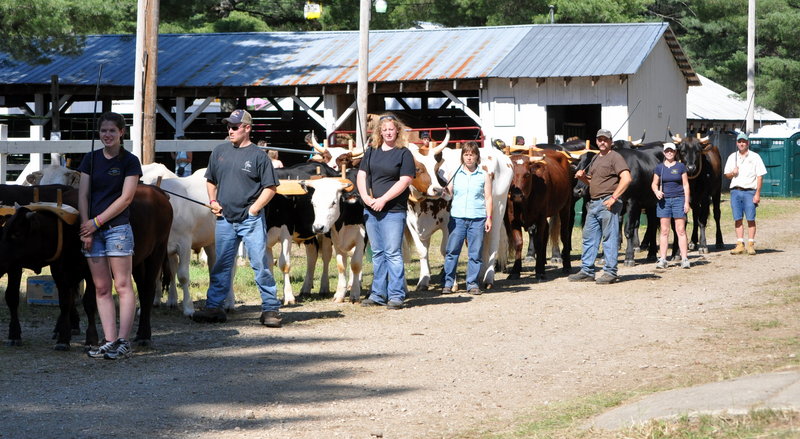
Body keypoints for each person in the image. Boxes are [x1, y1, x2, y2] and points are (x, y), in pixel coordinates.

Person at [192, 109, 283, 327]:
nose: (230, 130)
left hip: (250, 220)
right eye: (228, 127)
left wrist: (254, 210)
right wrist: (213, 201)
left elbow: (270, 188)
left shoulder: (259, 156)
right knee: (221, 264)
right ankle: (214, 307)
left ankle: (270, 309)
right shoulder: (220, 152)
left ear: (247, 128)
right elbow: (211, 180)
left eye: (234, 127)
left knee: (260, 264)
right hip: (224, 219)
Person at [78, 112, 142, 360]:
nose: (107, 135)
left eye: (112, 131)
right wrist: (86, 227)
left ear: (121, 133)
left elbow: (126, 198)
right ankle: (110, 339)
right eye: (103, 131)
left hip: (117, 229)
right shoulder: (90, 160)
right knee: (101, 287)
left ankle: (124, 341)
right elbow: (83, 195)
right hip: (92, 232)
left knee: (123, 285)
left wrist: (97, 222)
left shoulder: (129, 161)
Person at [356, 113, 415, 309]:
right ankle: (378, 293)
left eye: (391, 129)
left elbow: (405, 180)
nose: (388, 132)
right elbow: (362, 175)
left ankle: (396, 295)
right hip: (371, 209)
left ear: (397, 131)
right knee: (378, 253)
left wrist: (383, 199)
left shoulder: (403, 153)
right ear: (379, 132)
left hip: (393, 211)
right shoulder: (371, 151)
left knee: (393, 253)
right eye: (385, 130)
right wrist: (365, 197)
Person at [568, 129, 631, 284]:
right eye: (600, 139)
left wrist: (614, 198)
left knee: (609, 238)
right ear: (596, 141)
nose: (602, 142)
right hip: (594, 203)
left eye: (605, 139)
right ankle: (587, 271)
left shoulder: (615, 157)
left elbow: (627, 178)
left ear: (611, 142)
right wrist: (584, 178)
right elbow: (595, 182)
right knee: (588, 238)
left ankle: (611, 272)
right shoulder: (595, 158)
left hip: (608, 202)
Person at [441, 141, 493, 295]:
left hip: (477, 218)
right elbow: (448, 195)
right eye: (466, 154)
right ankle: (448, 283)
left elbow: (488, 198)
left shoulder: (484, 175)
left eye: (472, 154)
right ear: (462, 156)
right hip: (457, 219)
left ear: (477, 157)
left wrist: (489, 218)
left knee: (475, 254)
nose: (469, 157)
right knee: (452, 252)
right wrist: (444, 193)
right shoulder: (455, 174)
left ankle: (472, 284)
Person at [724, 132, 767, 255]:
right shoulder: (732, 157)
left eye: (744, 141)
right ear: (737, 143)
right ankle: (739, 244)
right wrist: (733, 173)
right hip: (735, 191)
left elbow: (760, 176)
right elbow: (726, 175)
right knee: (737, 218)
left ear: (748, 143)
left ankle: (751, 244)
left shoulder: (755, 157)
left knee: (750, 218)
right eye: (740, 141)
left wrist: (757, 193)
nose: (742, 143)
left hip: (750, 191)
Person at [652, 143, 691, 269]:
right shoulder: (659, 168)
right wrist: (657, 191)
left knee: (680, 230)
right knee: (664, 230)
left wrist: (686, 202)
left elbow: (685, 185)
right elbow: (654, 184)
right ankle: (663, 258)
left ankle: (684, 258)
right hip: (664, 201)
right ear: (664, 153)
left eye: (672, 151)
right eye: (667, 151)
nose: (669, 153)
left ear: (675, 152)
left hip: (679, 199)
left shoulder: (681, 167)